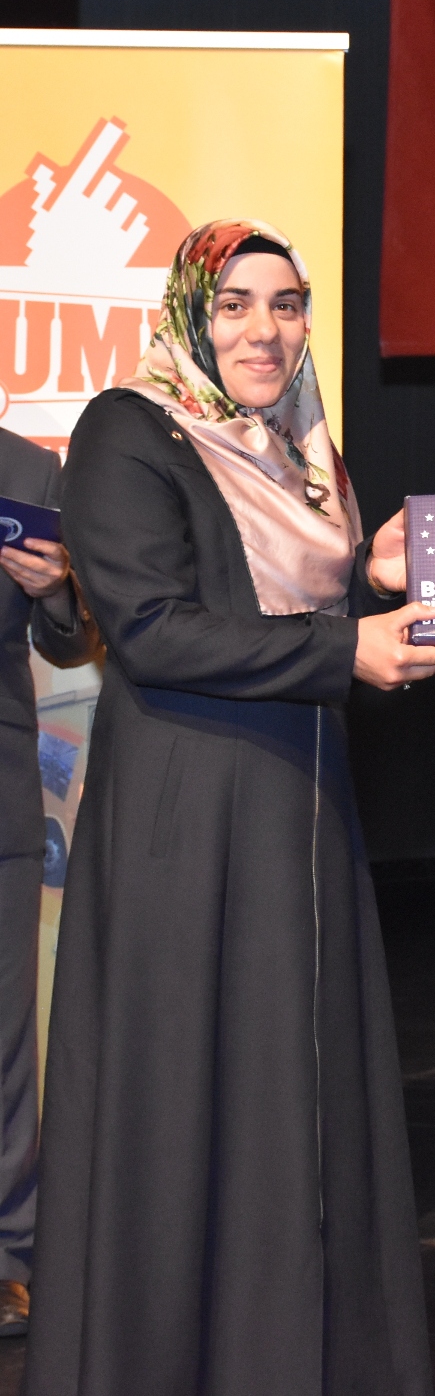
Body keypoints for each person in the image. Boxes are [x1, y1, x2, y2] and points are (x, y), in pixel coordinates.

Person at [23, 220, 435, 1396]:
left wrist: (373, 573)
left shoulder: (298, 451)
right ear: (189, 313)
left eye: (287, 303)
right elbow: (155, 628)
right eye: (233, 304)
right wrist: (345, 647)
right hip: (187, 808)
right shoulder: (128, 428)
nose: (265, 330)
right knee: (185, 1094)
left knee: (294, 1090)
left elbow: (284, 592)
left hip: (299, 801)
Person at [0, 430, 96, 1335]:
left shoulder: (31, 472)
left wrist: (56, 587)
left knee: (3, 1044)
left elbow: (68, 642)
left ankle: (6, 1255)